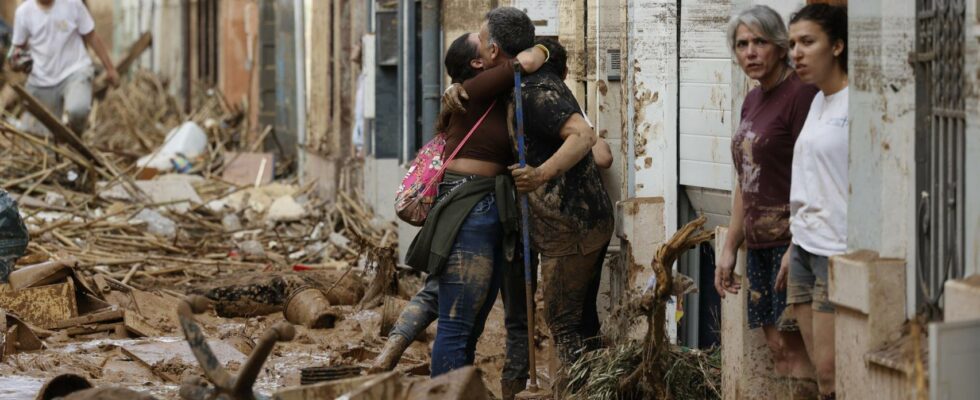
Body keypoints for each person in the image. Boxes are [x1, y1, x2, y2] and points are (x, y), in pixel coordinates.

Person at [404, 9, 546, 380]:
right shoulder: (472, 90)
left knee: (468, 320)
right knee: (458, 321)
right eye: (480, 40)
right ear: (480, 59)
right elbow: (529, 58)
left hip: (485, 207)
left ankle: (445, 381)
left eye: (483, 36)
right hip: (470, 207)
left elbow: (534, 57)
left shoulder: (492, 89)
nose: (482, 40)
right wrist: (541, 50)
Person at [713, 5, 819, 396]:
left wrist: (799, 244)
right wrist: (729, 247)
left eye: (760, 42)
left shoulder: (801, 95)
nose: (750, 52)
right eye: (742, 44)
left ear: (779, 45)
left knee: (802, 355)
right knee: (777, 350)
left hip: (793, 244)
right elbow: (746, 179)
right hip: (758, 246)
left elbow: (815, 174)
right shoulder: (752, 100)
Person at [502, 33, 614, 393]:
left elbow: (584, 140)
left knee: (563, 321)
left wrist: (540, 174)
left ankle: (582, 391)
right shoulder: (551, 90)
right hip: (583, 225)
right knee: (582, 319)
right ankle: (599, 387)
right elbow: (600, 153)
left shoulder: (539, 94)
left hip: (571, 229)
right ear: (565, 70)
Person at [784, 4, 849, 399]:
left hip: (836, 251)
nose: (797, 53)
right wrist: (793, 244)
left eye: (808, 42)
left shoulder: (857, 102)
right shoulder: (816, 102)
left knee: (832, 373)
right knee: (818, 374)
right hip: (804, 248)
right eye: (792, 44)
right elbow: (810, 180)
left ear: (837, 45)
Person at [10, 0, 118, 135]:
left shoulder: (73, 4)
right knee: (41, 136)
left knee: (77, 110)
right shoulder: (23, 13)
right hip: (41, 80)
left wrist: (110, 69)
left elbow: (92, 36)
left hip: (74, 71)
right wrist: (17, 62)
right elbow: (17, 49)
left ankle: (76, 137)